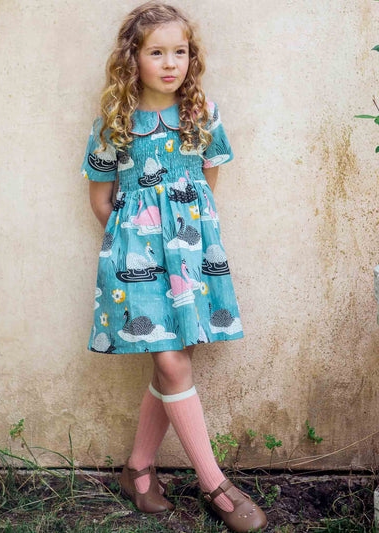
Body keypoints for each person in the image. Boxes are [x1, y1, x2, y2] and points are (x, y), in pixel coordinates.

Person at [80, 1, 267, 531]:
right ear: (131, 59)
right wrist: (130, 243)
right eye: (156, 52)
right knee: (170, 362)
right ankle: (216, 486)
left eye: (179, 51)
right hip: (133, 257)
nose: (170, 63)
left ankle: (138, 470)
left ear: (191, 57)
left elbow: (209, 181)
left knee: (171, 361)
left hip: (189, 254)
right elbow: (100, 198)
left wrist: (188, 239)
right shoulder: (115, 122)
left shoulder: (201, 113)